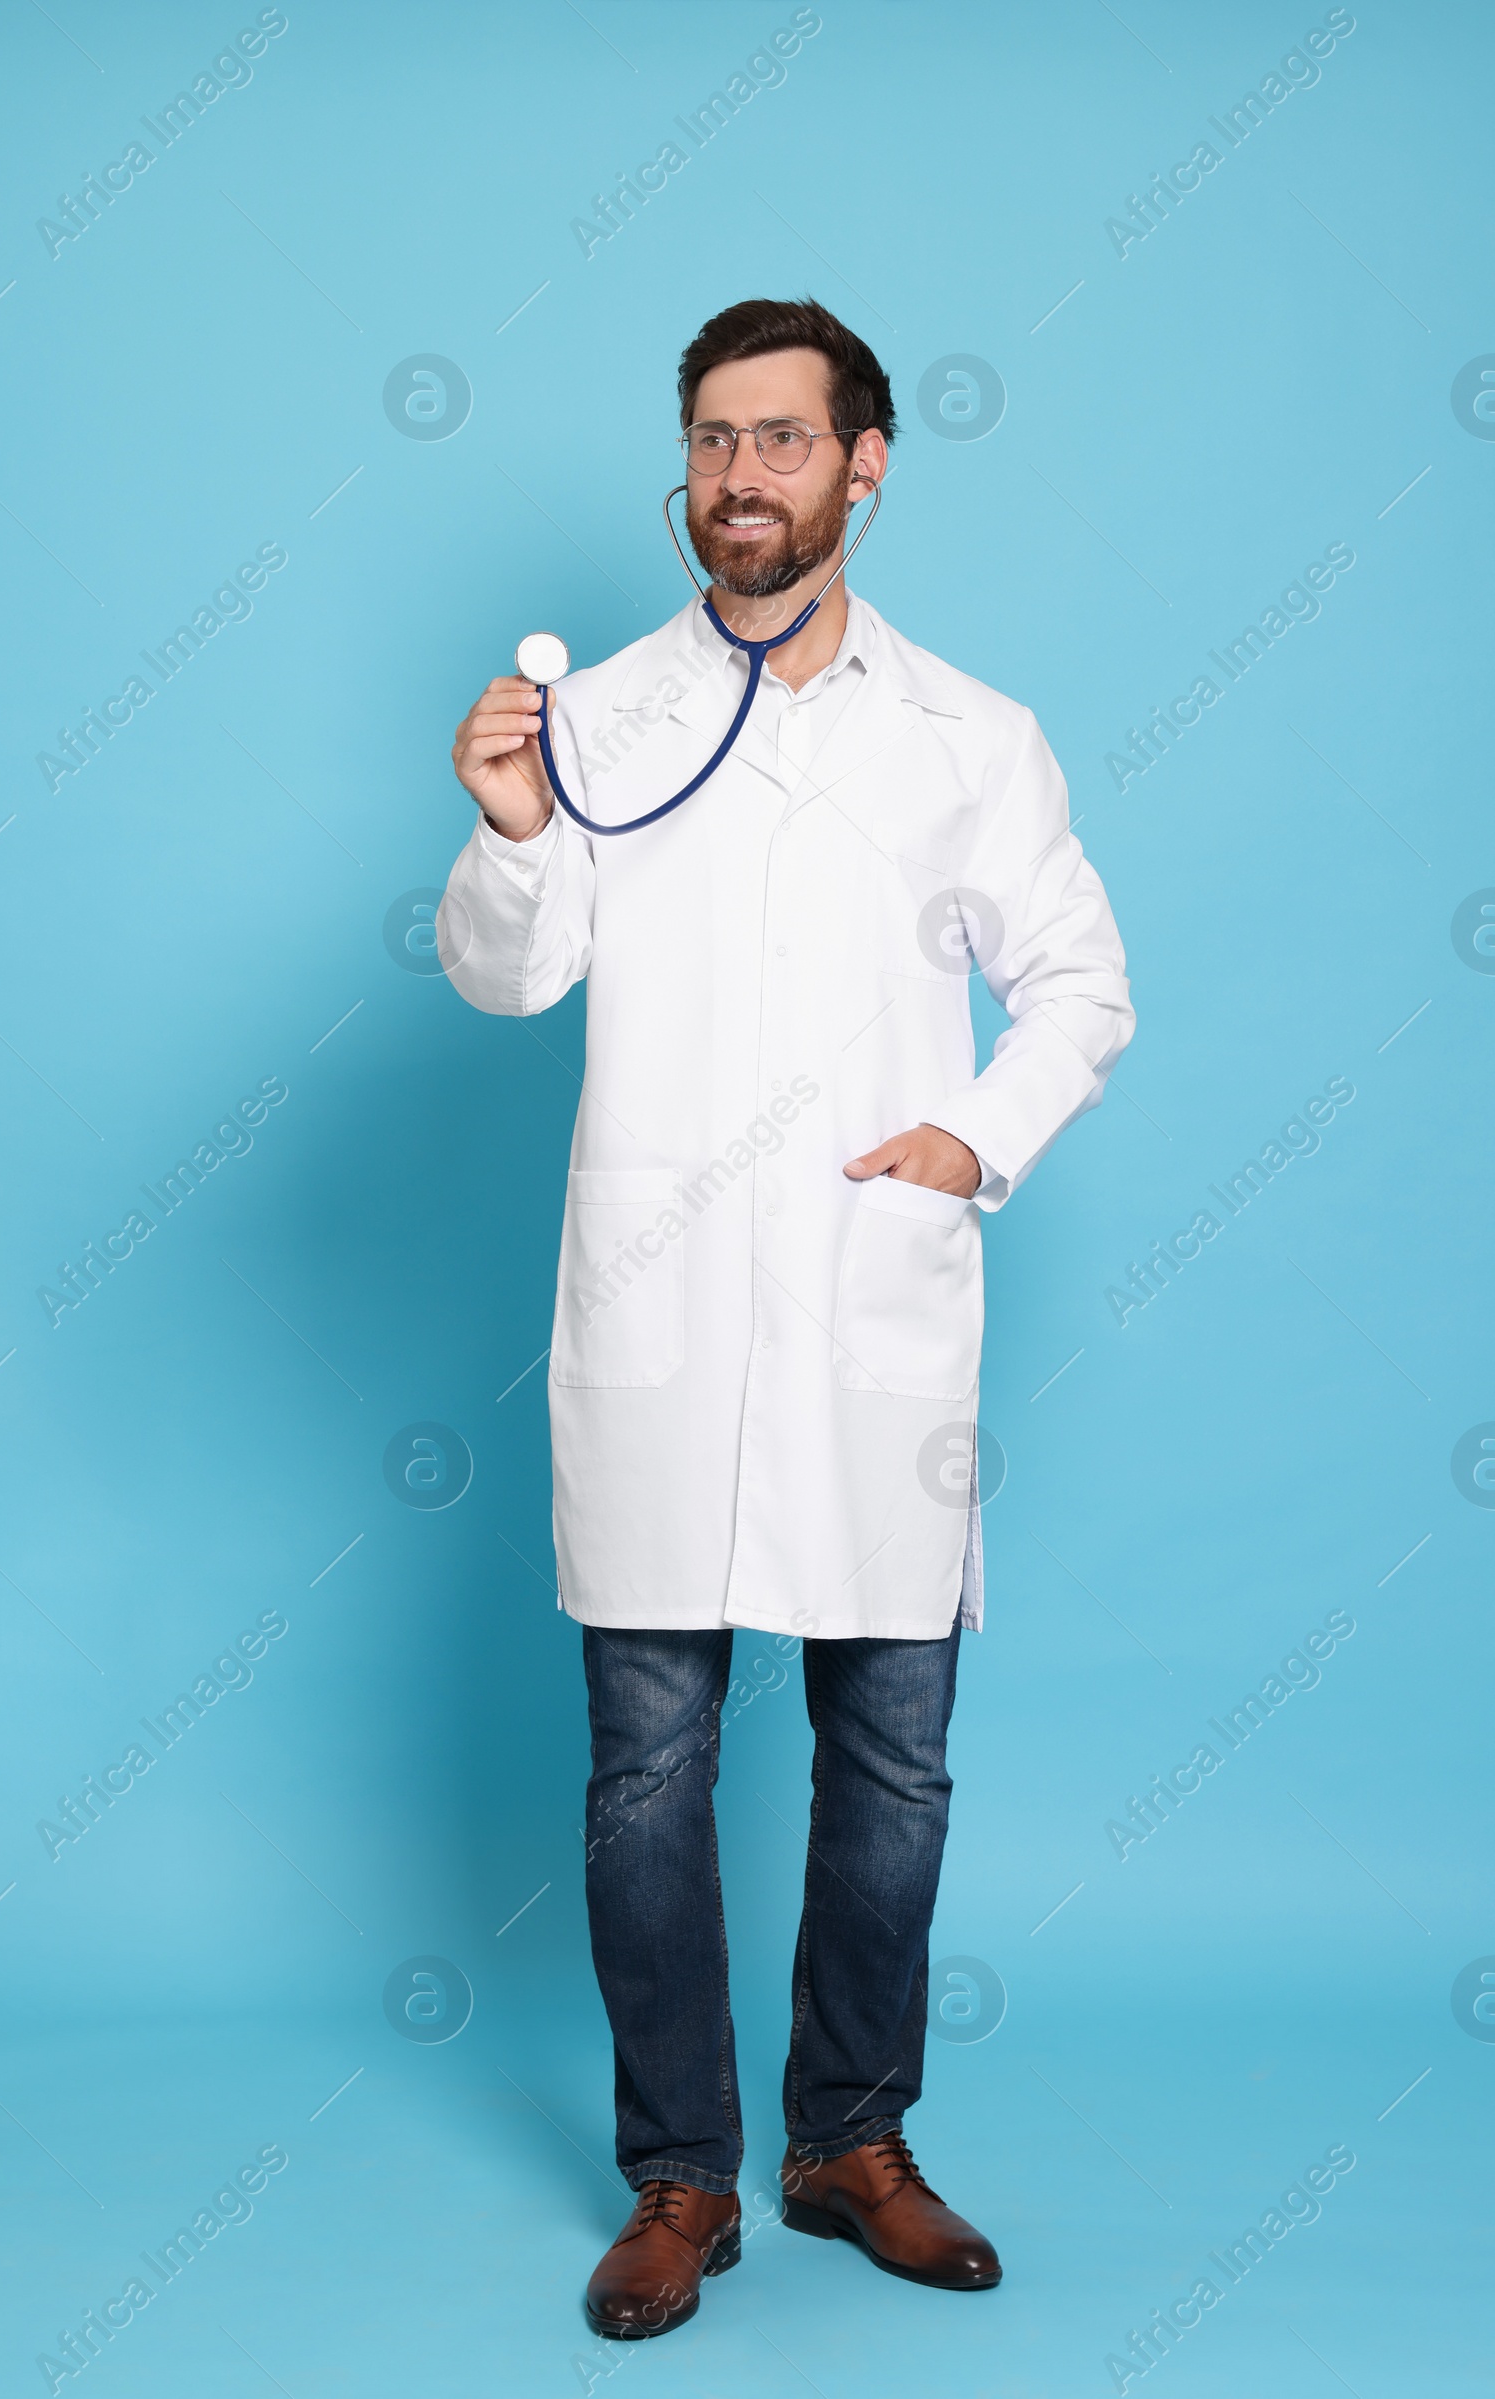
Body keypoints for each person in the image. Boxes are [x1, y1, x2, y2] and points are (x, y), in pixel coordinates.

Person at [442, 297, 1135, 2338]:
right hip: (659, 1316)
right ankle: (681, 2180)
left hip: (867, 1316)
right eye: (708, 439)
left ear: (864, 462)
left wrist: (973, 1136)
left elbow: (1082, 988)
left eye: (778, 438)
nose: (737, 475)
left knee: (889, 1765)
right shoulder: (601, 722)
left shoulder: (967, 736)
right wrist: (501, 836)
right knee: (646, 1766)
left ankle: (850, 2144)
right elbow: (509, 981)